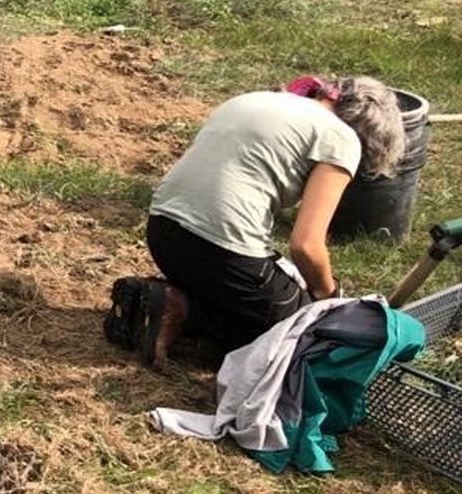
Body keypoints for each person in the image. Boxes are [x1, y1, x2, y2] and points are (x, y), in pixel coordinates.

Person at [111, 75, 406, 369]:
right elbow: (306, 245)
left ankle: (166, 301)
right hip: (218, 251)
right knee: (303, 326)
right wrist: (327, 296)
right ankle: (182, 311)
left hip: (162, 233)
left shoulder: (255, 99)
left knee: (252, 294)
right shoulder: (341, 138)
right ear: (369, 133)